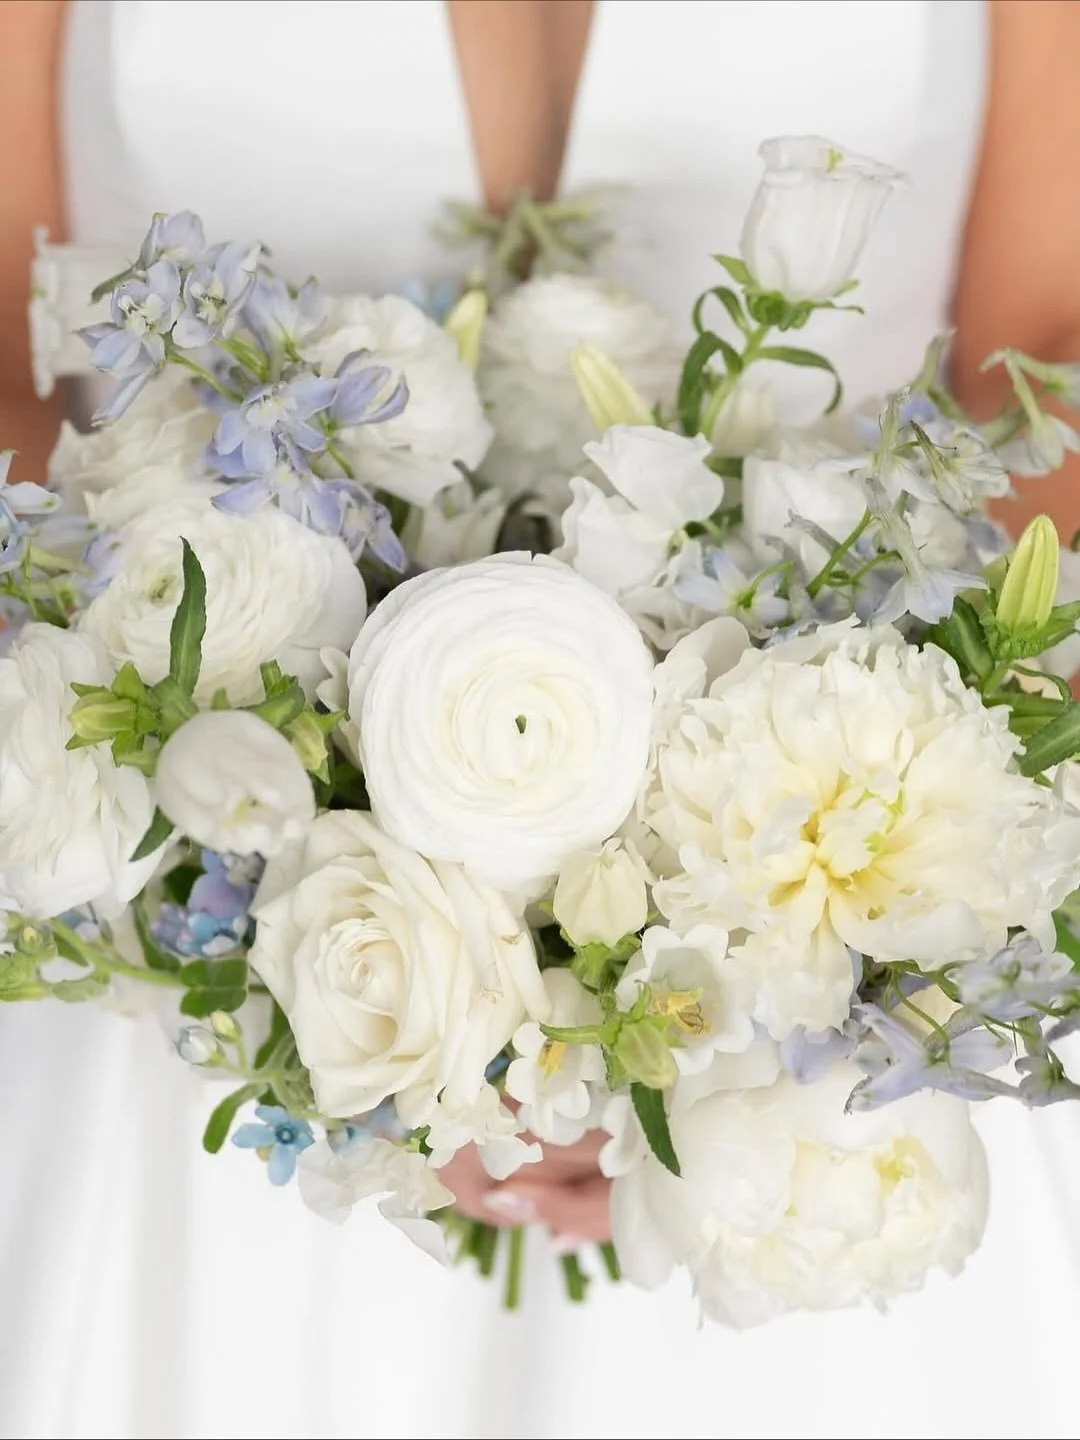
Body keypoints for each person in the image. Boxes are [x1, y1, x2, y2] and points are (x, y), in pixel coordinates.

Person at [1, 3, 1079, 1437]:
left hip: (816, 1053)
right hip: (191, 954)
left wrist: (758, 970)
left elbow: (1042, 352)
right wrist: (350, 979)